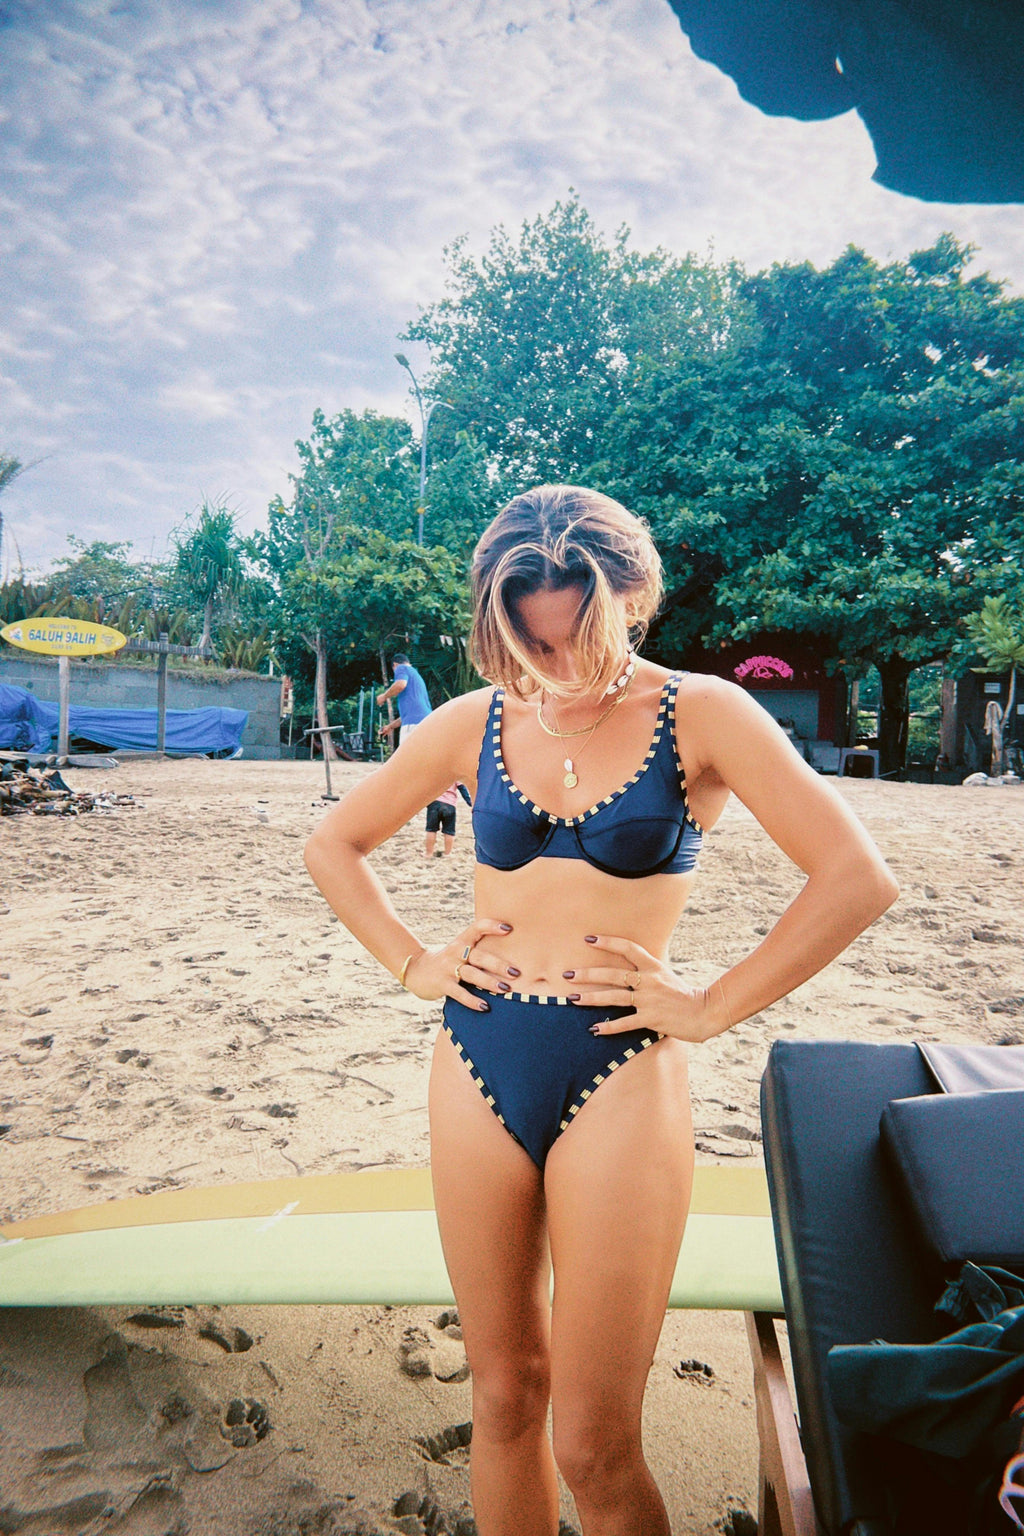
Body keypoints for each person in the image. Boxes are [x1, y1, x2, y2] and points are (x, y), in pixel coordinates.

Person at [305, 485, 898, 1536]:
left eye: (577, 634)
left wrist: (709, 1004)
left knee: (591, 1440)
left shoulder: (702, 712)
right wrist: (410, 964)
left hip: (620, 1070)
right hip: (476, 1057)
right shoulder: (468, 722)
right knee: (499, 1397)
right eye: (527, 640)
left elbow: (854, 878)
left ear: (630, 594)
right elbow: (332, 845)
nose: (555, 664)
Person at [377, 652, 433, 745]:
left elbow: (400, 684)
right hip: (427, 721)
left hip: (413, 725)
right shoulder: (415, 676)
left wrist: (384, 696)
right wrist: (390, 726)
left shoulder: (401, 668)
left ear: (395, 665)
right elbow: (406, 717)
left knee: (405, 758)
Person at [424, 782, 469, 858]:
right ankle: (447, 853)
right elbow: (462, 788)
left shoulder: (433, 772)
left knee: (431, 830)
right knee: (449, 831)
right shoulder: (454, 773)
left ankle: (429, 853)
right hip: (450, 805)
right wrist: (470, 802)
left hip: (434, 803)